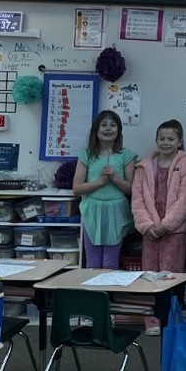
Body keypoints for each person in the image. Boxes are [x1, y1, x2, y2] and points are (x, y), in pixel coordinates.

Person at [72, 110, 138, 269]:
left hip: (117, 212)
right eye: (104, 125)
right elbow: (77, 188)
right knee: (92, 262)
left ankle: (108, 293)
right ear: (96, 130)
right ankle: (93, 294)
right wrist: (100, 182)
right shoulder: (86, 155)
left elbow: (132, 190)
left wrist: (114, 178)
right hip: (92, 211)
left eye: (113, 125)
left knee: (110, 262)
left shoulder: (126, 155)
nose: (108, 129)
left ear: (119, 130)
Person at [131, 119, 186, 273]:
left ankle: (171, 298)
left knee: (171, 274)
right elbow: (137, 199)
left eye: (171, 139)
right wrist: (147, 226)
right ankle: (154, 298)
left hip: (174, 230)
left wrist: (166, 226)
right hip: (150, 229)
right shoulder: (144, 167)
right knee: (150, 273)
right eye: (162, 139)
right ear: (156, 141)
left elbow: (185, 199)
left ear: (179, 142)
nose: (165, 142)